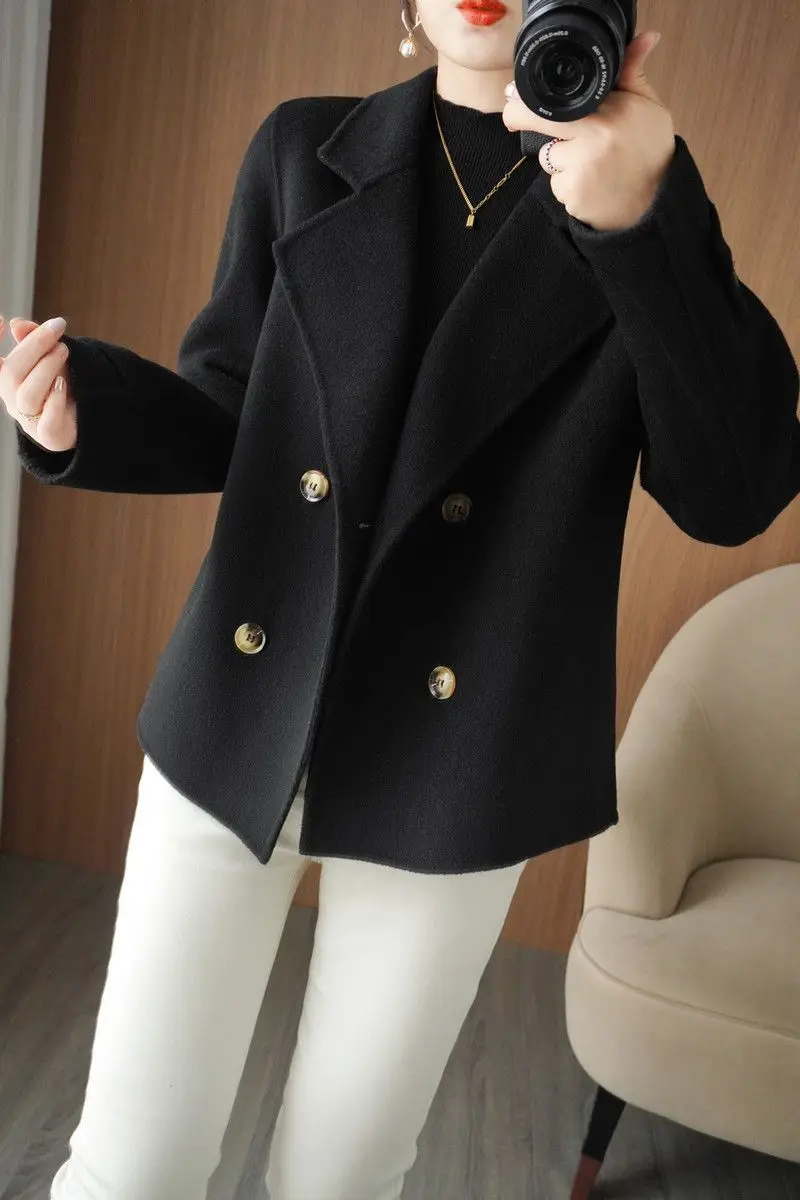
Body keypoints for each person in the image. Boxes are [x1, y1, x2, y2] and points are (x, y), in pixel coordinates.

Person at [1, 2, 799, 1198]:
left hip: (457, 763)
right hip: (241, 709)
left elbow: (729, 492)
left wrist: (641, 225)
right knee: (129, 1163)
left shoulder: (639, 203)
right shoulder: (302, 150)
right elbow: (228, 404)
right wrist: (81, 411)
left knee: (340, 1175)